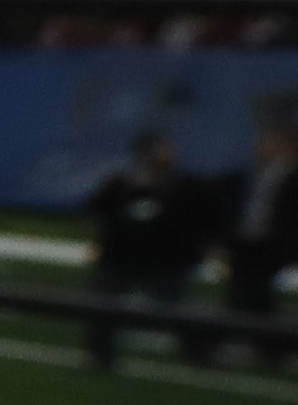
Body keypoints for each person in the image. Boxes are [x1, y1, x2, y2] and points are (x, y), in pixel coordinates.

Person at [80, 129, 207, 373]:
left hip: (165, 259)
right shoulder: (120, 183)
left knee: (172, 309)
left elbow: (197, 221)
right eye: (161, 148)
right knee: (103, 304)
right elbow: (101, 213)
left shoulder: (186, 186)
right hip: (122, 257)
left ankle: (199, 353)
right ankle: (99, 354)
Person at [220, 94, 298, 368]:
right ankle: (241, 340)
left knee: (260, 295)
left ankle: (271, 347)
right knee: (240, 293)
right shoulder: (255, 174)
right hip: (247, 241)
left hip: (271, 244)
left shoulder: (290, 176)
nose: (260, 146)